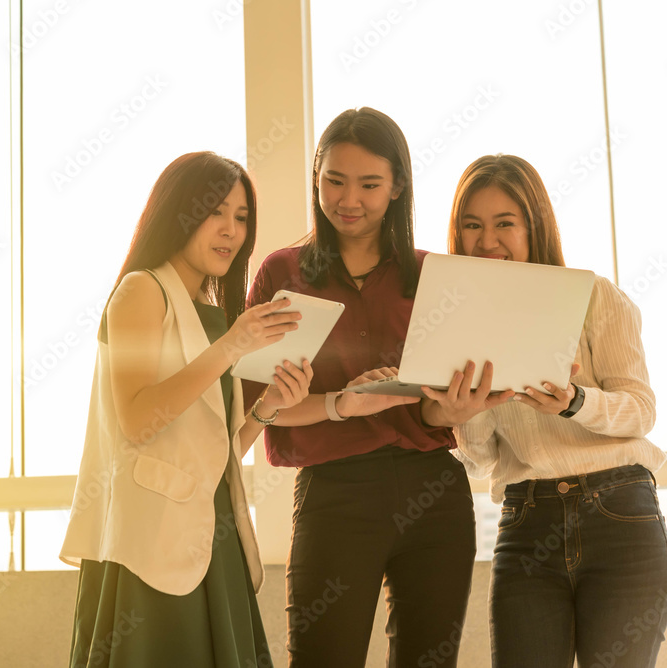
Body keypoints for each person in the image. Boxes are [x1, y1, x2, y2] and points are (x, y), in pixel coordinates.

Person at [242, 107, 478, 667]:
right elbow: (259, 409)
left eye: (370, 184)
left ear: (397, 186)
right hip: (334, 494)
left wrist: (445, 413)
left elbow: (440, 410)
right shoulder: (282, 273)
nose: (350, 199)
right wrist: (343, 405)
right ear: (317, 177)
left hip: (434, 494)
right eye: (334, 181)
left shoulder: (433, 276)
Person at [60, 151, 314, 667]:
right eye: (214, 212)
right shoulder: (141, 292)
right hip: (151, 545)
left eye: (241, 217)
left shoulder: (214, 314)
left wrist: (268, 407)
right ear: (178, 213)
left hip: (214, 540)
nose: (230, 230)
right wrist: (232, 346)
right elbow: (137, 420)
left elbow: (212, 449)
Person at [427, 153, 667, 668]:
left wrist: (575, 402)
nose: (487, 241)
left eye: (504, 223)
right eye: (472, 225)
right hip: (526, 520)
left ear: (535, 225)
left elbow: (642, 410)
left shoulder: (595, 296)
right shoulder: (459, 321)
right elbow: (483, 458)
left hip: (619, 512)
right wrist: (463, 412)